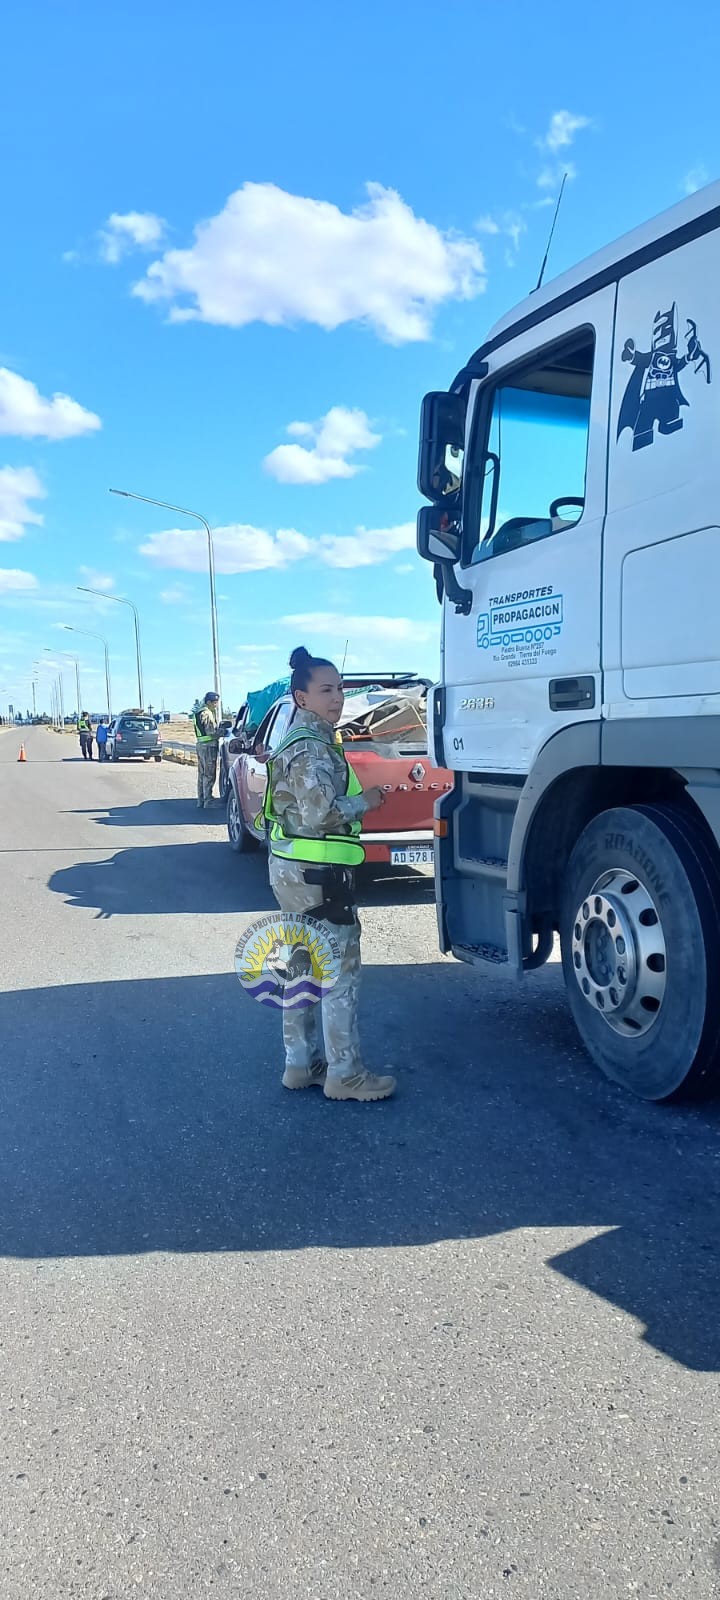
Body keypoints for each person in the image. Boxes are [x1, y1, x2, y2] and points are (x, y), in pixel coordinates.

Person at [263, 645, 396, 1103]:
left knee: (300, 969)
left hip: (293, 872)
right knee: (340, 974)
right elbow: (321, 813)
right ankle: (346, 1073)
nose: (337, 698)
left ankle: (300, 1065)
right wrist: (368, 801)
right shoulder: (312, 747)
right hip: (317, 875)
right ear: (302, 698)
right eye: (325, 690)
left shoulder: (296, 741)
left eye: (340, 689)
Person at [192, 691, 220, 808]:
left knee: (202, 774)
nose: (216, 705)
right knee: (209, 774)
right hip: (209, 746)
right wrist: (221, 732)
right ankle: (208, 800)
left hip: (201, 745)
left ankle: (201, 799)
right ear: (208, 702)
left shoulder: (198, 712)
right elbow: (211, 732)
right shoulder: (207, 713)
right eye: (215, 702)